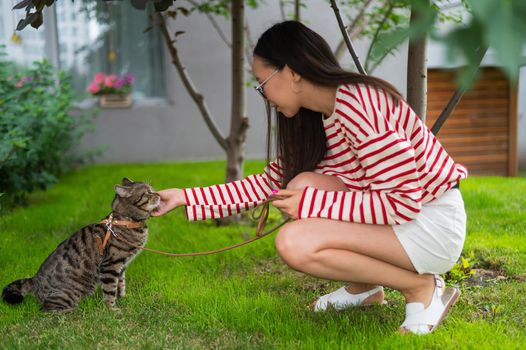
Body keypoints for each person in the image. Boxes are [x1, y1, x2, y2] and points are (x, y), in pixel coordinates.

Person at [152, 21, 467, 335]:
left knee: (295, 241)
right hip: (406, 222)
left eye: (262, 84)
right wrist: (184, 197)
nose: (264, 95)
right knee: (300, 183)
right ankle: (365, 287)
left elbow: (402, 203)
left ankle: (421, 288)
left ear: (292, 72)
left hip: (431, 224)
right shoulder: (321, 116)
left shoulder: (360, 104)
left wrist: (312, 203)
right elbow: (266, 183)